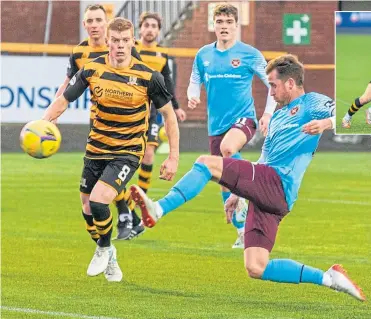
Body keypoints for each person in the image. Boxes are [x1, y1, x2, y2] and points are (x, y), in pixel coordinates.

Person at [130, 54, 365, 301]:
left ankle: (159, 209)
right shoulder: (279, 117)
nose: (270, 92)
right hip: (274, 196)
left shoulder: (312, 102)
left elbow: (354, 116)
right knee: (256, 266)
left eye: (273, 85)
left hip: (276, 183)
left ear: (291, 84)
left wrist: (326, 123)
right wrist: (237, 192)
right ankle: (329, 278)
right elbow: (263, 161)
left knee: (205, 164)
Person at [43, 17, 179, 282]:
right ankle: (110, 252)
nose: (120, 46)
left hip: (127, 151)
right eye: (115, 41)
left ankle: (104, 248)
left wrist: (173, 156)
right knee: (87, 206)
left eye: (125, 41)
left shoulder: (150, 77)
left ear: (132, 42)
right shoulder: (91, 70)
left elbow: (169, 116)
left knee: (99, 199)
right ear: (108, 42)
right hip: (96, 147)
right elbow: (64, 100)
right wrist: (42, 122)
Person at [187, 3, 276, 248]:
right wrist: (192, 94)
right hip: (216, 124)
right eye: (219, 22)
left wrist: (267, 114)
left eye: (228, 23)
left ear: (237, 26)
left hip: (244, 119)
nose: (224, 27)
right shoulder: (203, 54)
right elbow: (194, 80)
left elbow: (272, 85)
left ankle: (252, 179)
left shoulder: (250, 54)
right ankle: (241, 232)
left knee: (228, 148)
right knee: (225, 179)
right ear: (213, 25)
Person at [53, 4, 145, 242]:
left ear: (106, 23)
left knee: (108, 178)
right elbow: (68, 86)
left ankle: (126, 216)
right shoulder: (79, 53)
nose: (94, 25)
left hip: (124, 128)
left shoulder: (121, 48)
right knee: (101, 181)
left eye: (98, 20)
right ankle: (131, 218)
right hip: (98, 124)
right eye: (90, 21)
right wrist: (52, 116)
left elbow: (141, 83)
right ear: (84, 25)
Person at [115, 12, 187, 240]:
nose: (150, 29)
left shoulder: (162, 55)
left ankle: (138, 205)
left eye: (154, 26)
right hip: (130, 108)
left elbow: (167, 84)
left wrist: (175, 106)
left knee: (148, 156)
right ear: (140, 28)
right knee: (121, 161)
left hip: (152, 112)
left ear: (158, 30)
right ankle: (127, 208)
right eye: (146, 25)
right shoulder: (129, 47)